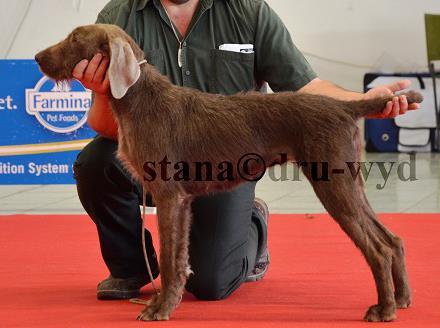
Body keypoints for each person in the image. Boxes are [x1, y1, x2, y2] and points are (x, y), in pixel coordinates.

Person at [72, 0, 419, 301]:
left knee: (210, 283)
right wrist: (103, 90)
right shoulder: (120, 16)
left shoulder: (248, 11)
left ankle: (253, 224)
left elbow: (307, 88)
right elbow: (103, 124)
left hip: (226, 163)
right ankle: (131, 268)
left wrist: (364, 103)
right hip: (157, 161)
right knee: (95, 163)